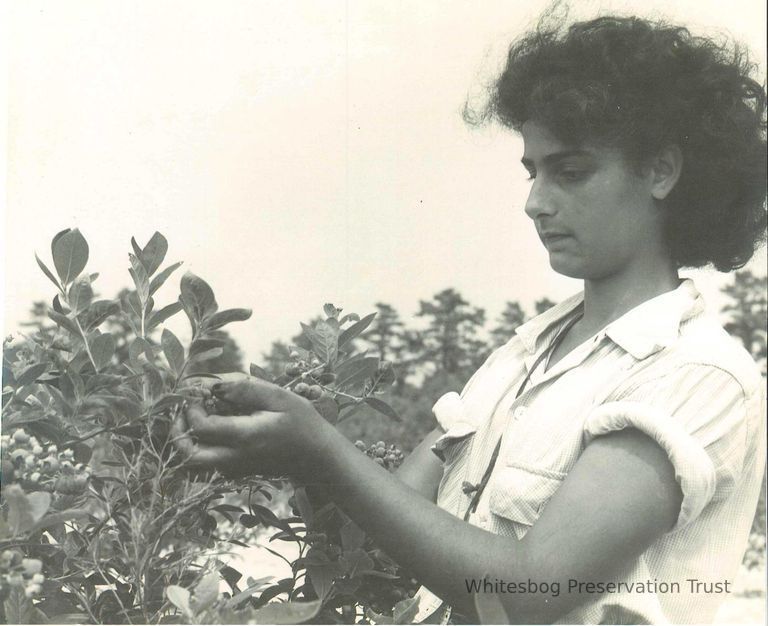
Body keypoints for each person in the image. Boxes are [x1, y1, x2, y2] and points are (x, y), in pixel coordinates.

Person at [173, 10, 767, 625]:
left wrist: (320, 449)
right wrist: (279, 445)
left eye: (571, 172)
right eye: (533, 172)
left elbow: (528, 596)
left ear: (662, 171)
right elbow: (395, 520)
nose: (536, 203)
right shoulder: (526, 353)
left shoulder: (695, 373)